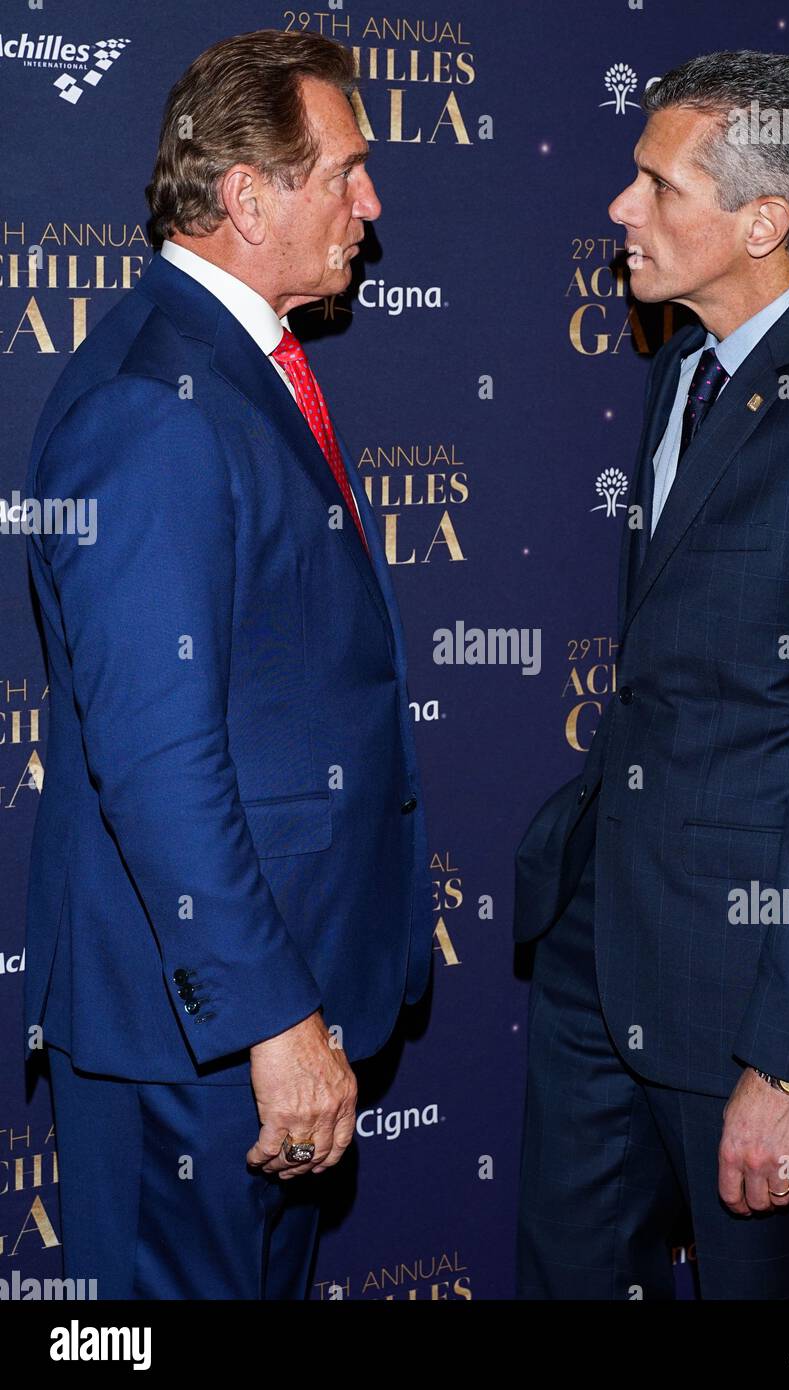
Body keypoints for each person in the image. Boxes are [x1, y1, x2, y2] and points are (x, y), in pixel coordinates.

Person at [514, 49, 789, 1300]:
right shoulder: (680, 370)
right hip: (601, 949)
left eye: (657, 185)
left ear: (761, 221)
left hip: (751, 990)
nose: (619, 208)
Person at [23, 30, 432, 1300]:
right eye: (346, 171)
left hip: (240, 1027)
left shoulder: (229, 369)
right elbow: (155, 752)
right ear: (248, 198)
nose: (371, 202)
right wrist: (272, 1021)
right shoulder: (157, 401)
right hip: (198, 1042)